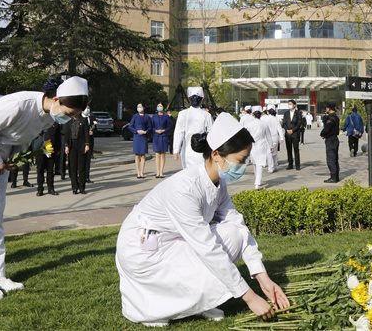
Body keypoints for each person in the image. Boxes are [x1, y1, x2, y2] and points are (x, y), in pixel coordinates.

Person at [115, 112, 290, 327]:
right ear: (216, 154)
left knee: (233, 234)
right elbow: (207, 247)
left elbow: (238, 225)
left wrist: (262, 278)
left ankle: (201, 301)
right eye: (241, 160)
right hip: (144, 249)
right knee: (210, 251)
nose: (244, 166)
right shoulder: (184, 188)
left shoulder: (219, 183)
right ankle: (158, 308)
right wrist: (250, 298)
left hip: (174, 241)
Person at [0, 76, 88, 300]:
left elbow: (21, 139)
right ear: (56, 99)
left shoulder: (49, 116)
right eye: (69, 114)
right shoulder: (19, 104)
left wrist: (13, 159)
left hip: (0, 164)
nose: (68, 120)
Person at [172, 87, 213, 168]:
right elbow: (212, 133)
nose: (195, 99)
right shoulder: (206, 115)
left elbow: (179, 132)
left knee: (189, 175)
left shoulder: (183, 114)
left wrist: (176, 150)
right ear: (202, 99)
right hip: (201, 149)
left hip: (189, 151)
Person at [64, 105, 91, 194]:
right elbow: (66, 135)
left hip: (81, 146)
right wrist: (66, 145)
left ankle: (82, 187)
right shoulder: (68, 121)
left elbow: (86, 134)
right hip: (72, 146)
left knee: (81, 168)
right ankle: (74, 187)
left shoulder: (83, 120)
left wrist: (87, 144)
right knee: (73, 168)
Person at [243, 109, 272, 190]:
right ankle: (257, 183)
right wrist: (271, 146)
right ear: (260, 116)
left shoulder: (249, 124)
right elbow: (268, 136)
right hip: (261, 146)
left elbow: (244, 135)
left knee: (255, 164)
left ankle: (257, 181)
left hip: (252, 146)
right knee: (259, 164)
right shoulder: (264, 124)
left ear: (253, 116)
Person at [36, 123, 61, 196]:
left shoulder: (55, 123)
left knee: (50, 170)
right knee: (40, 170)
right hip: (40, 150)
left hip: (51, 150)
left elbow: (58, 137)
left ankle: (51, 188)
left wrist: (58, 150)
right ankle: (40, 189)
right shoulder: (38, 122)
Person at [129, 104, 152, 179]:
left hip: (143, 137)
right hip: (137, 137)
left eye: (140, 106)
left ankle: (142, 172)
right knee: (137, 155)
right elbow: (130, 126)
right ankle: (138, 172)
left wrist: (145, 132)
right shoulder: (135, 116)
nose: (139, 108)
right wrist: (136, 131)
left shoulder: (147, 117)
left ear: (143, 108)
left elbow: (150, 127)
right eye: (138, 107)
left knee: (143, 155)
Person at [281, 100, 304, 170]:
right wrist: (287, 129)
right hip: (287, 134)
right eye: (288, 104)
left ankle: (297, 165)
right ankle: (290, 164)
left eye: (290, 104)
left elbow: (299, 123)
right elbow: (283, 123)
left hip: (295, 134)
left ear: (294, 105)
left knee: (296, 149)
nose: (289, 105)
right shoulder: (286, 113)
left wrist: (292, 130)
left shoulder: (298, 113)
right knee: (289, 150)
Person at [320, 103, 340, 183]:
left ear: (329, 108)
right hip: (334, 139)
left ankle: (333, 178)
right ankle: (336, 176)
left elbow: (327, 128)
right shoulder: (335, 117)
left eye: (326, 108)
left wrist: (322, 134)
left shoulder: (331, 118)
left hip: (331, 140)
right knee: (335, 159)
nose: (325, 109)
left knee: (331, 159)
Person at [151, 103, 171, 178]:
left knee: (163, 155)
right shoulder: (154, 117)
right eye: (158, 106)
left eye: (161, 106)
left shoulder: (166, 116)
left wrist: (163, 130)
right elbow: (151, 127)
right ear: (157, 107)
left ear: (163, 107)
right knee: (157, 155)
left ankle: (161, 172)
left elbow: (169, 127)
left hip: (163, 136)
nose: (159, 107)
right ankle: (157, 172)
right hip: (156, 137)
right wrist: (155, 130)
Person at [263, 106, 282, 173]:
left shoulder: (265, 119)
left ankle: (271, 168)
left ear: (268, 112)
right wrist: (282, 137)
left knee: (269, 153)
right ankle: (275, 166)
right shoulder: (276, 119)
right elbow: (279, 128)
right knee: (275, 152)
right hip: (275, 137)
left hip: (268, 138)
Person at [83, 107, 96, 184]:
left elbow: (96, 127)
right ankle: (80, 176)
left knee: (88, 160)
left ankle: (87, 177)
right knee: (81, 161)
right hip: (82, 142)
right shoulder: (79, 117)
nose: (87, 110)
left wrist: (93, 131)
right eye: (86, 108)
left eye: (88, 108)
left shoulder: (92, 117)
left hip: (90, 141)